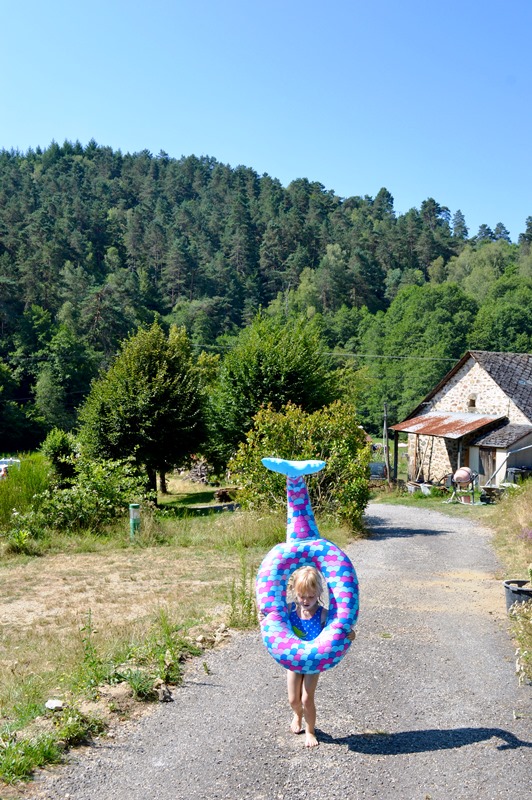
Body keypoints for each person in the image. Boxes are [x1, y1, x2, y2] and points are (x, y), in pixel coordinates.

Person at [285, 565, 355, 748]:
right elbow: (273, 620)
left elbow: (337, 632)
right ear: (294, 591)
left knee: (307, 698)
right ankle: (297, 715)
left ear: (319, 593)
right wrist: (263, 616)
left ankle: (310, 731)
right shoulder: (289, 610)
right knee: (293, 699)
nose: (306, 600)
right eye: (302, 596)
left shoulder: (323, 614)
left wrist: (349, 635)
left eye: (311, 596)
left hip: (313, 662)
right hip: (293, 660)